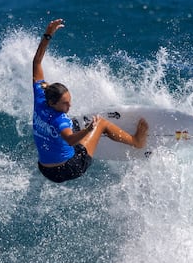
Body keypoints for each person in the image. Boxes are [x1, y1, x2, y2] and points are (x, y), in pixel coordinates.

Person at [32, 18, 148, 183]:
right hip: (68, 169)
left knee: (66, 127)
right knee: (100, 122)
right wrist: (89, 130)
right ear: (52, 103)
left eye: (69, 100)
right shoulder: (60, 121)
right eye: (64, 103)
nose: (69, 105)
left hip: (45, 169)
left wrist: (47, 35)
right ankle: (136, 141)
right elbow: (71, 140)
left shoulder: (40, 96)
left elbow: (37, 62)